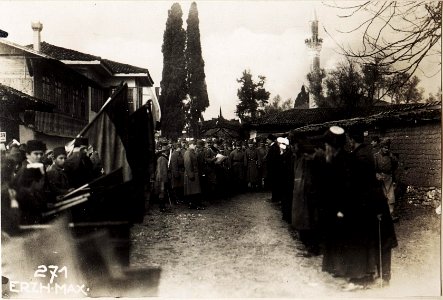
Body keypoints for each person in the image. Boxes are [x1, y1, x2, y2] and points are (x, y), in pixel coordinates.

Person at [348, 127, 398, 288]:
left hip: (372, 203)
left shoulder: (360, 156)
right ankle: (374, 275)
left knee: (380, 239)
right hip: (373, 201)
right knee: (375, 239)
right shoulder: (368, 153)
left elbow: (360, 184)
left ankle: (380, 277)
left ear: (351, 140)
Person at [374, 138, 399, 221]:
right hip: (380, 179)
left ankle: (391, 214)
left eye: (387, 148)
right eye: (385, 148)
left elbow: (395, 165)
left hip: (389, 178)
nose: (386, 149)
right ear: (381, 147)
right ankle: (380, 215)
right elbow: (374, 169)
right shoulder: (376, 156)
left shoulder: (390, 156)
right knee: (381, 197)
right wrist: (377, 174)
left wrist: (391, 156)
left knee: (391, 196)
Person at [184, 140, 204, 210]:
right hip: (192, 174)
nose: (195, 146)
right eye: (194, 145)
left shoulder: (192, 152)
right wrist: (191, 175)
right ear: (190, 145)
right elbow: (187, 164)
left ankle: (194, 204)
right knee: (193, 191)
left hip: (195, 173)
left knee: (195, 191)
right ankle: (194, 205)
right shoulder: (188, 153)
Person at [154, 144, 172, 212]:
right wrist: (166, 180)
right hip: (162, 178)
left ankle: (162, 206)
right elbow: (163, 171)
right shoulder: (163, 159)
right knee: (162, 193)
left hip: (160, 177)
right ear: (165, 151)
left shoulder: (161, 158)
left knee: (162, 193)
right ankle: (162, 207)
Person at [266, 134, 280, 201]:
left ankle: (275, 198)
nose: (267, 141)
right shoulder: (274, 146)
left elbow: (273, 159)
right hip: (273, 168)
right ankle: (274, 197)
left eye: (268, 140)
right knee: (274, 183)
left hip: (273, 168)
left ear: (271, 140)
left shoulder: (274, 147)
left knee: (274, 183)